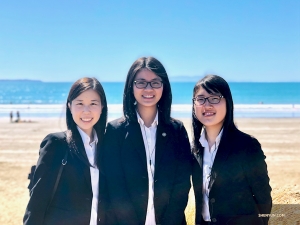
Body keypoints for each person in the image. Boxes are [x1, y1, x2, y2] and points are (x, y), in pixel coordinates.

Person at [103, 57, 192, 225]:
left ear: (164, 86)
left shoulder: (177, 130)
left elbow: (181, 185)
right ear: (131, 86)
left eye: (155, 82)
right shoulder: (115, 131)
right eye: (141, 82)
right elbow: (115, 187)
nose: (148, 89)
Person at [23, 77, 109, 225]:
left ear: (102, 107)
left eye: (93, 103)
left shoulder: (108, 146)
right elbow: (37, 202)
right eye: (80, 103)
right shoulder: (56, 144)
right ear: (70, 106)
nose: (86, 111)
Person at [191, 75, 272, 225]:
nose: (207, 105)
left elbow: (264, 197)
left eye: (214, 98)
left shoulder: (247, 146)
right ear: (194, 104)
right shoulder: (195, 150)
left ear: (227, 102)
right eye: (200, 99)